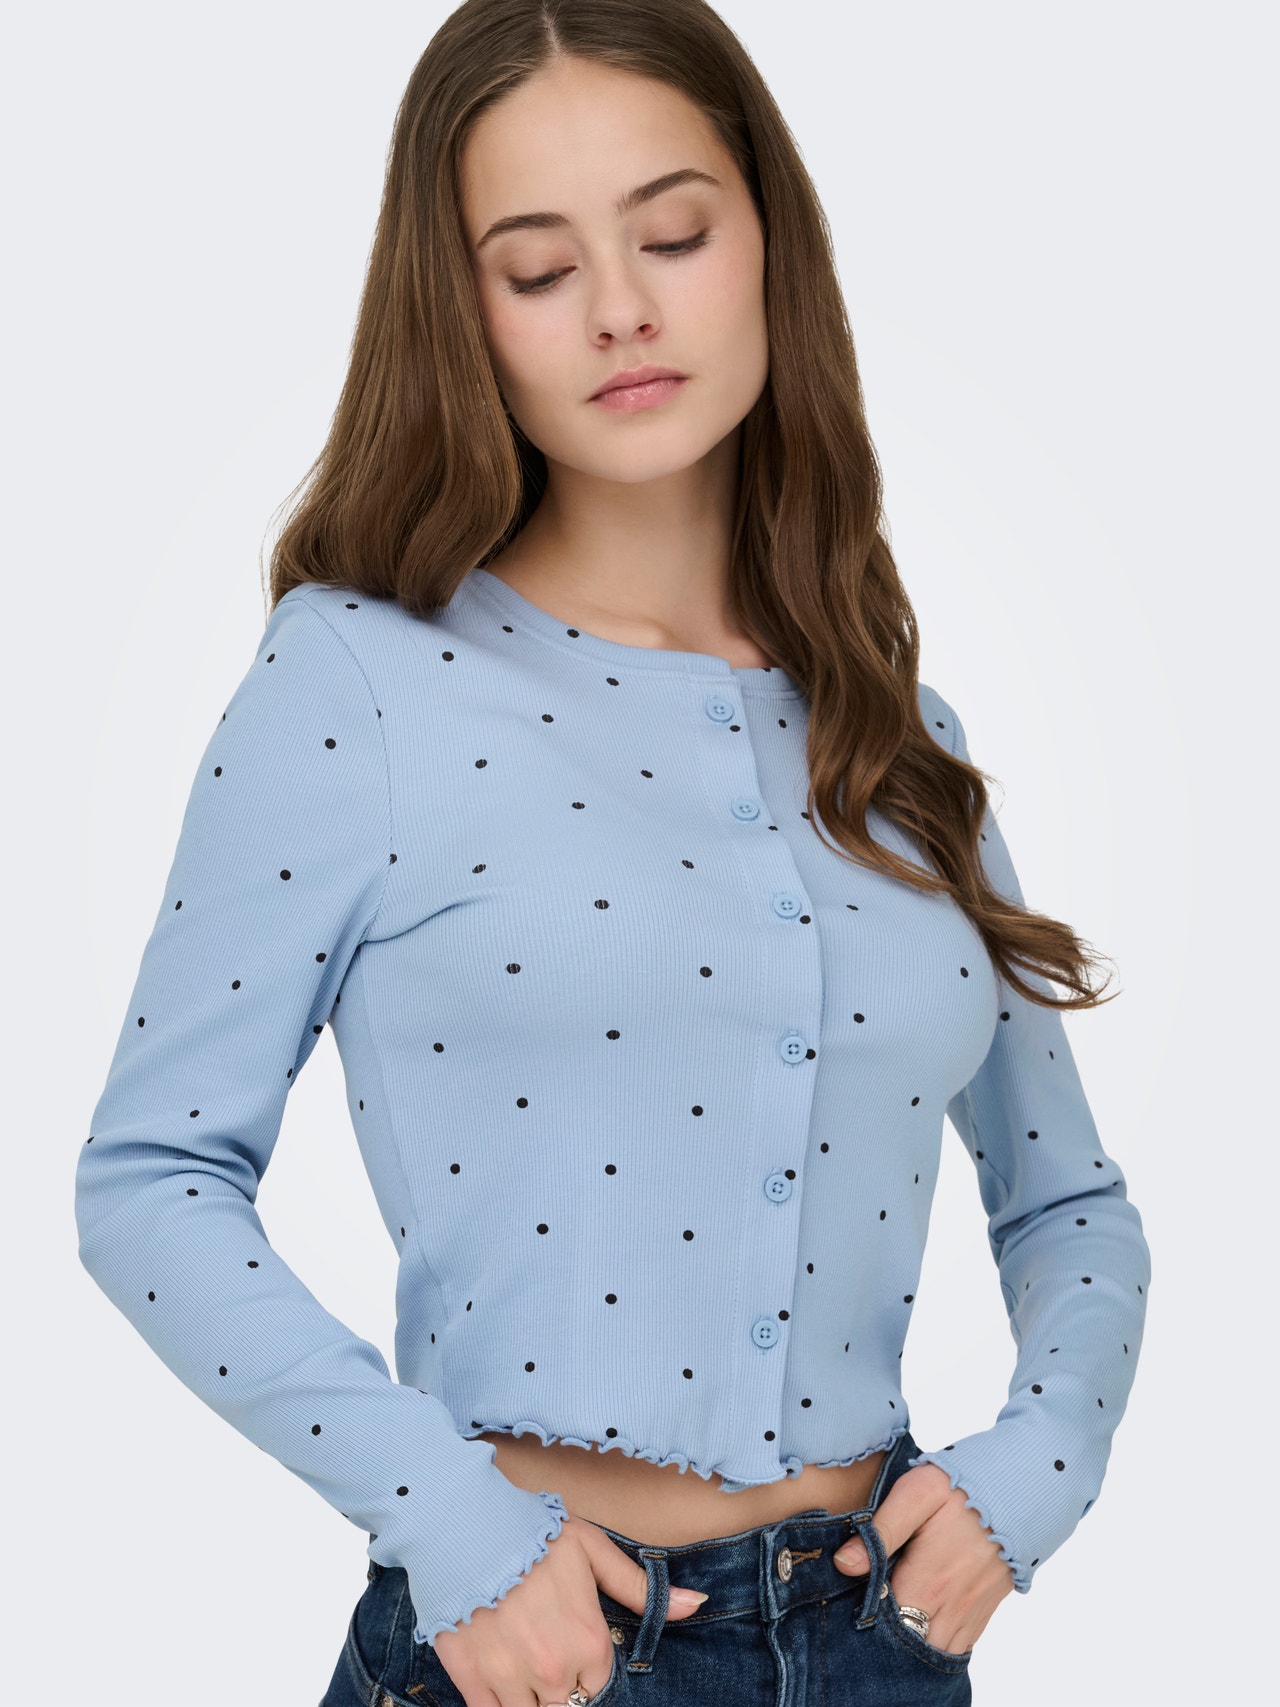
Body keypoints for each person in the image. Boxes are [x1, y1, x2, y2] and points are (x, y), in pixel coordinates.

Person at [74, 2, 1152, 1704]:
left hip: (883, 1640)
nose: (622, 310)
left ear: (770, 242)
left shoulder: (895, 733)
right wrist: (446, 1516)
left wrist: (1037, 1474)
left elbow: (1070, 1203)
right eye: (537, 266)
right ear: (464, 314)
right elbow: (152, 1180)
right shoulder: (358, 679)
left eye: (674, 234)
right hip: (537, 1647)